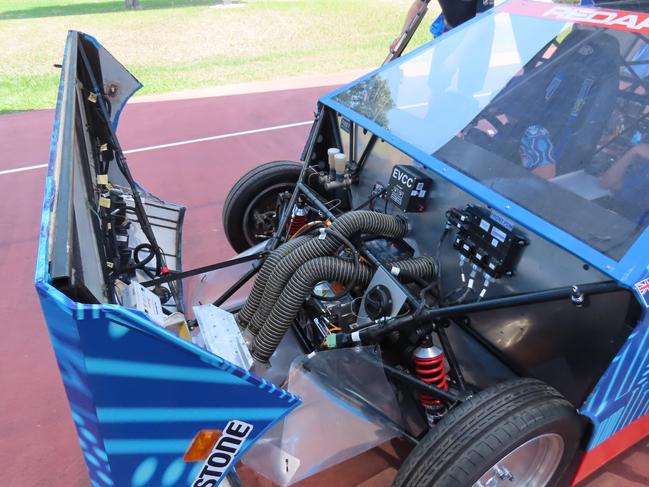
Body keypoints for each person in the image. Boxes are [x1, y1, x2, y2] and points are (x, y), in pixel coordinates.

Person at [390, 0, 493, 53]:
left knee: (468, 87)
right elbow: (418, 5)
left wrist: (456, 56)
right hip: (448, 31)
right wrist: (401, 38)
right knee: (437, 82)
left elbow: (481, 24)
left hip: (477, 35)